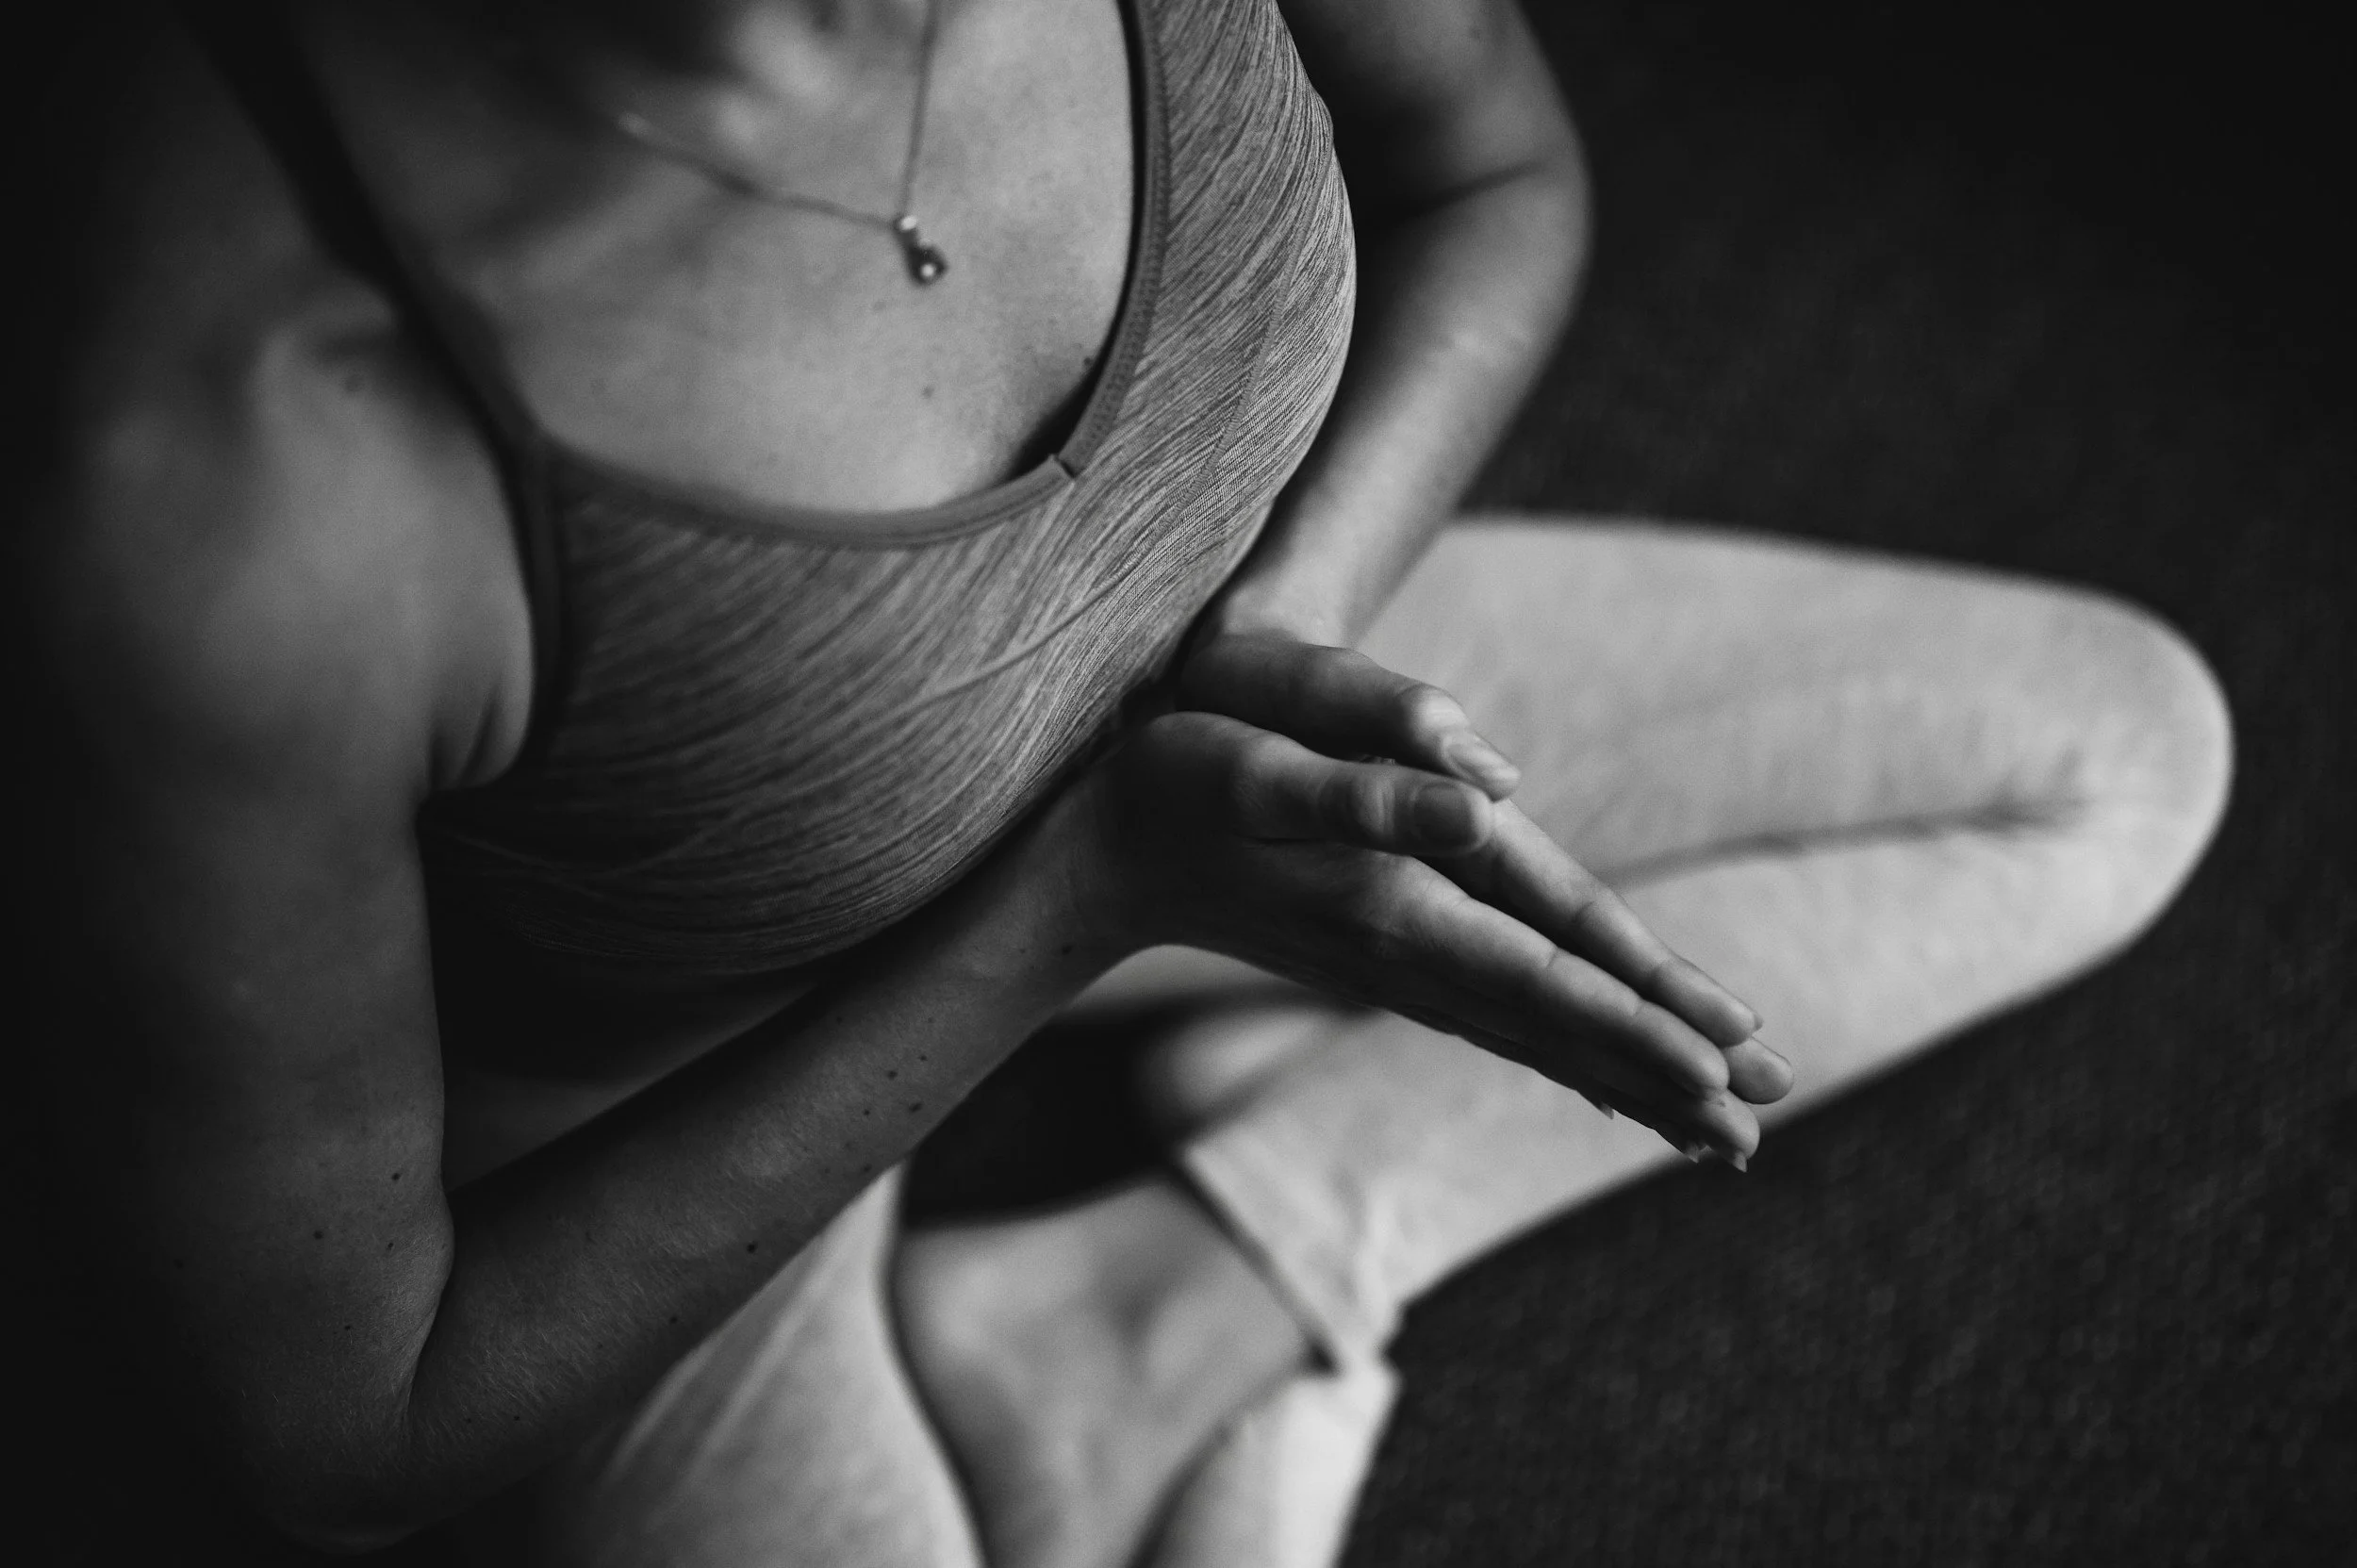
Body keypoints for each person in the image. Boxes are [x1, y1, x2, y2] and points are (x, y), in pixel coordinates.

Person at [16, 0, 2231, 1564]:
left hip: (1198, 751)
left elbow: (1490, 169)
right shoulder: (237, 471)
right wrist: (1073, 906)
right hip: (683, 1118)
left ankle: (1142, 1310)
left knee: (2105, 760)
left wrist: (1277, 659)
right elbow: (349, 1431)